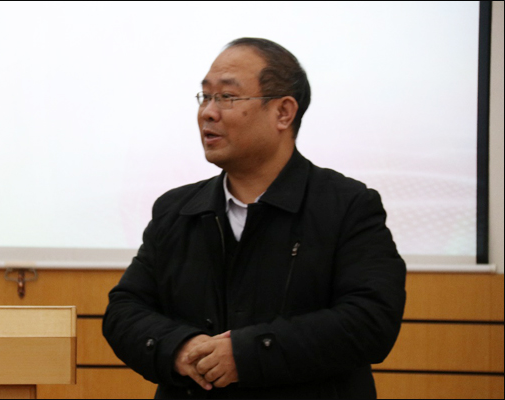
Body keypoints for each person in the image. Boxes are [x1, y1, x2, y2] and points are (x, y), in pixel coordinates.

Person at [103, 37, 406, 399]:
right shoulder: (176, 210)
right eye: (205, 96)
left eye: (227, 97)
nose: (208, 112)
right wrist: (179, 348)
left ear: (283, 113)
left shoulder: (347, 206)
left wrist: (247, 354)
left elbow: (371, 321)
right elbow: (124, 311)